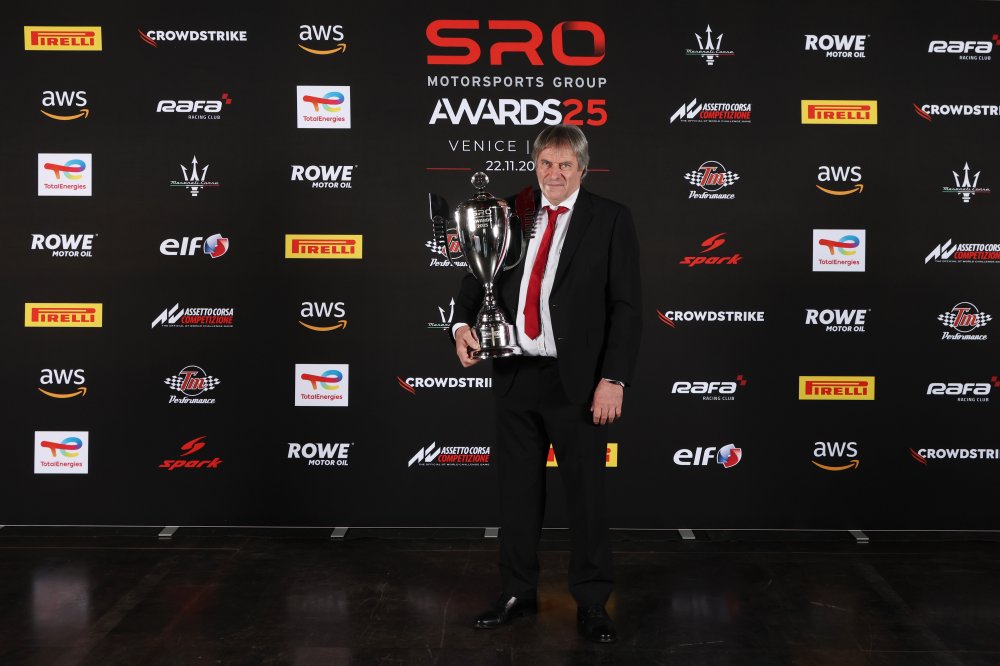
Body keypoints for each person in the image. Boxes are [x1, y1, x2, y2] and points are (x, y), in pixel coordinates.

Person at [451, 125, 642, 643]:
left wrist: (613, 379)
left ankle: (593, 600)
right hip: (515, 373)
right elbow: (476, 276)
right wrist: (461, 326)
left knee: (586, 497)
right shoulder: (514, 213)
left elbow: (626, 307)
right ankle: (516, 591)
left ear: (583, 168)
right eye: (545, 164)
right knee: (517, 495)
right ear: (535, 166)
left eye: (565, 165)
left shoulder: (610, 218)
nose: (554, 174)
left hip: (576, 380)